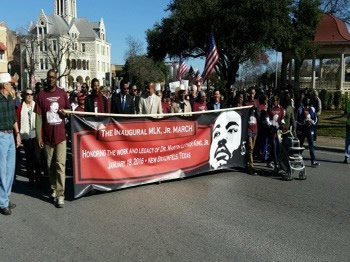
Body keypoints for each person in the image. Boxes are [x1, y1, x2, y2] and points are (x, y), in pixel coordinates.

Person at [34, 69, 70, 208]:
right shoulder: (41, 95)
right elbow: (38, 117)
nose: (51, 79)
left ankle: (61, 195)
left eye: (53, 77)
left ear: (56, 79)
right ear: (46, 79)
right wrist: (39, 136)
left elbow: (68, 112)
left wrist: (64, 114)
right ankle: (54, 188)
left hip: (60, 137)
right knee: (50, 167)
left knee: (60, 165)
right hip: (48, 138)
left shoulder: (62, 94)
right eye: (49, 77)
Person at [0, 72, 21, 215]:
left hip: (10, 136)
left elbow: (14, 118)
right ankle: (2, 202)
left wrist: (17, 134)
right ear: (3, 85)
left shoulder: (9, 99)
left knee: (10, 169)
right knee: (2, 171)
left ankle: (6, 198)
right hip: (1, 135)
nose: (11, 86)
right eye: (9, 84)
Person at [16, 88, 42, 185]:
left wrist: (41, 136)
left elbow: (41, 121)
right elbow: (18, 121)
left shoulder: (37, 106)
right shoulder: (20, 107)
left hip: (36, 135)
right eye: (27, 94)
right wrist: (18, 134)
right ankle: (31, 178)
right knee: (29, 158)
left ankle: (38, 179)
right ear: (24, 95)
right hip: (25, 136)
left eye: (31, 94)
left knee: (37, 159)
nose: (29, 96)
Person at [296, 94, 320, 167]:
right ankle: (297, 159)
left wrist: (311, 122)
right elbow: (298, 119)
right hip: (303, 128)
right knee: (300, 144)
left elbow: (315, 118)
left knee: (311, 145)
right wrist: (304, 122)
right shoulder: (301, 108)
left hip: (310, 128)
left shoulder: (312, 108)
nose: (308, 100)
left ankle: (313, 160)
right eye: (307, 99)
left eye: (309, 99)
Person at [266, 96, 285, 169]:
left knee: (277, 148)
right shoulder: (270, 109)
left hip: (278, 132)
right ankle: (276, 163)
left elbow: (282, 119)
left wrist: (282, 124)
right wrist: (271, 125)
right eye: (273, 100)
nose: (274, 102)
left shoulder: (281, 109)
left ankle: (269, 161)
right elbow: (267, 119)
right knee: (274, 146)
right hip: (272, 131)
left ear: (278, 101)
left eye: (275, 100)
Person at [244, 87, 259, 175]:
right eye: (250, 93)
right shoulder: (246, 103)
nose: (251, 95)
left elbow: (260, 114)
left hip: (255, 128)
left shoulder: (256, 102)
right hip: (248, 128)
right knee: (250, 148)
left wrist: (256, 111)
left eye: (253, 93)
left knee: (252, 148)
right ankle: (251, 166)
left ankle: (247, 162)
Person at [344, 98, 350, 164]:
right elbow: (345, 115)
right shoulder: (348, 103)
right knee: (348, 142)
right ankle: (346, 157)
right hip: (348, 125)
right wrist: (347, 115)